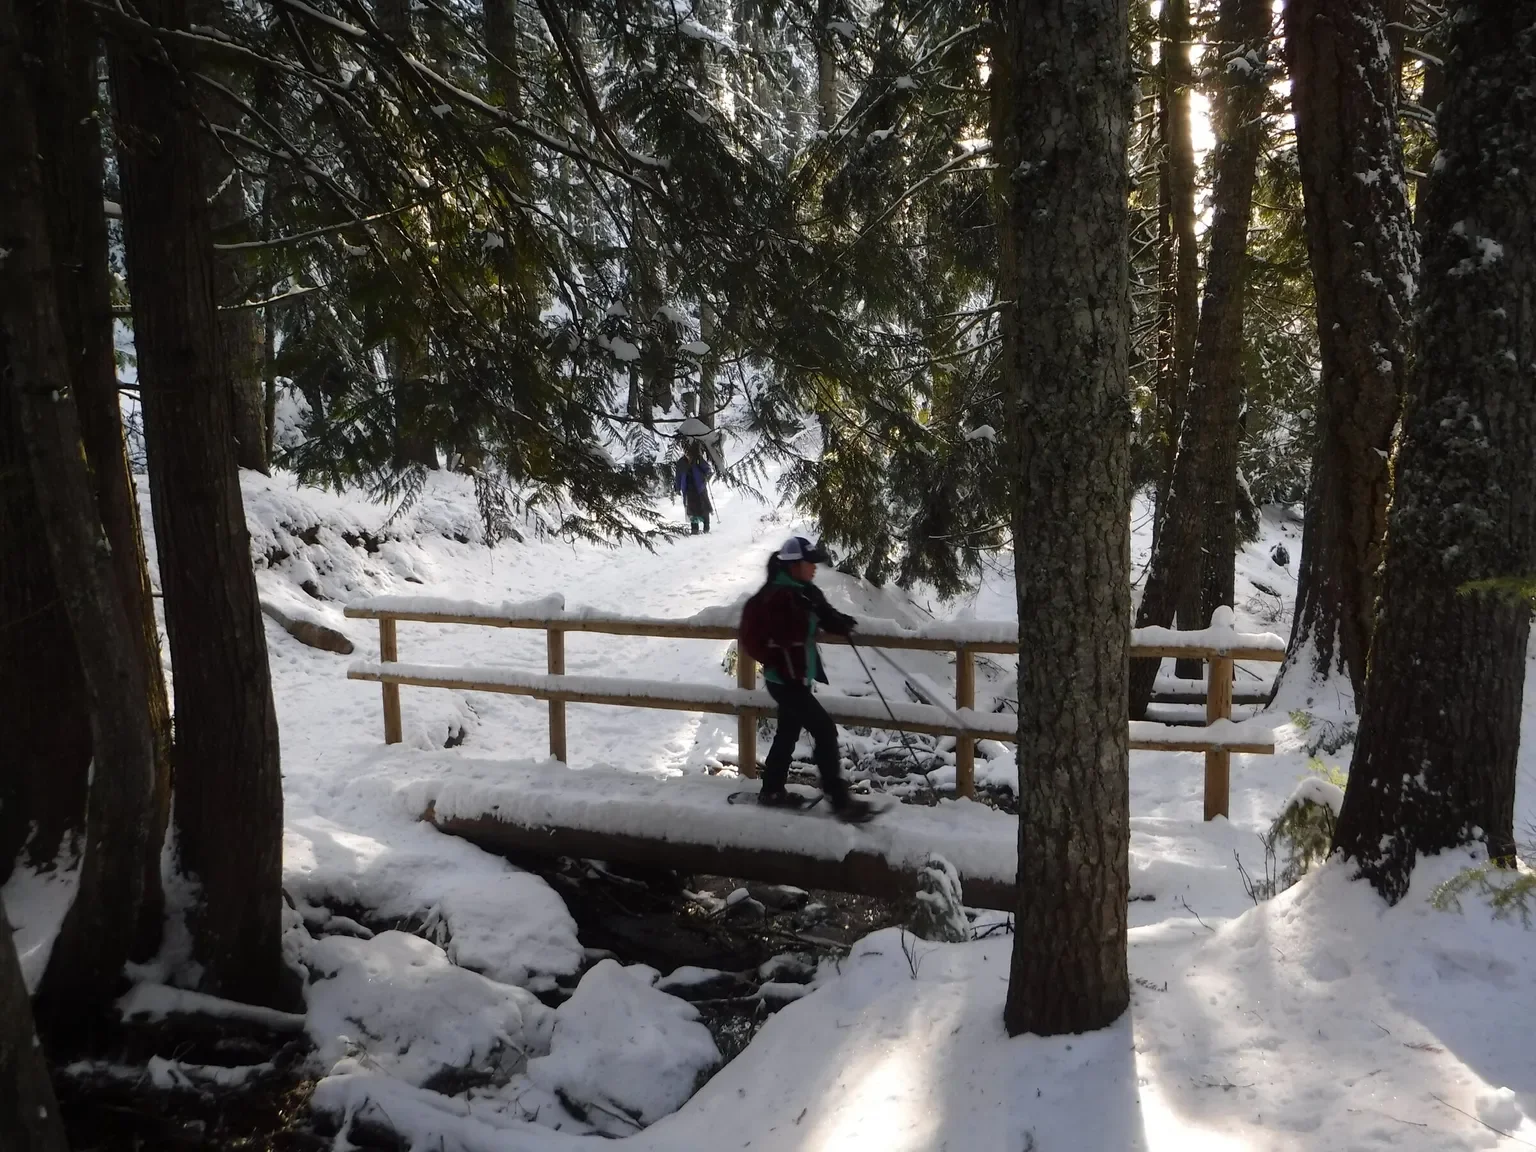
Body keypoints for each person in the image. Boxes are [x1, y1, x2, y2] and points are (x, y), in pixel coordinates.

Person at [743, 536, 874, 823]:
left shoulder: (805, 591)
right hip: (783, 680)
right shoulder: (774, 596)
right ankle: (839, 801)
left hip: (798, 677)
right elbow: (762, 636)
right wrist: (778, 652)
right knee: (825, 730)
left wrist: (839, 622)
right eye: (809, 563)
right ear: (794, 565)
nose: (814, 568)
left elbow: (823, 615)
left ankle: (772, 791)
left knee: (788, 732)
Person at [674, 444, 713, 534]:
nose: (687, 453)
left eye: (688, 451)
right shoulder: (681, 462)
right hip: (688, 489)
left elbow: (707, 469)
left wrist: (707, 476)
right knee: (691, 510)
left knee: (704, 507)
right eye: (685, 452)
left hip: (700, 487)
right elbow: (678, 476)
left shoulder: (698, 459)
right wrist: (677, 487)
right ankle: (694, 529)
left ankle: (706, 527)